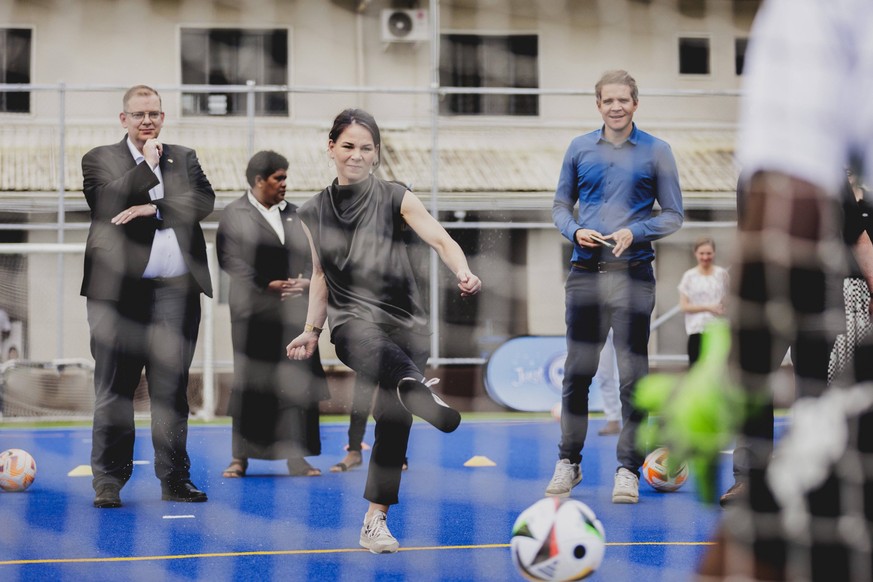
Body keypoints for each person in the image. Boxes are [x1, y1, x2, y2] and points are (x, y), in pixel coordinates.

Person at [696, 1, 873, 579]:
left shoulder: (814, 13)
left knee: (750, 556)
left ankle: (772, 488)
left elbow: (788, 219)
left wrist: (730, 367)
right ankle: (752, 474)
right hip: (801, 297)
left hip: (811, 299)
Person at [286, 108, 481, 554]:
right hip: (353, 322)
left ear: (376, 153)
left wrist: (463, 270)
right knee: (368, 347)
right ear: (331, 148)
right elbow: (319, 274)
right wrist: (312, 330)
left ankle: (375, 521)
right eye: (348, 146)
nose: (356, 155)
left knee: (392, 423)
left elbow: (440, 239)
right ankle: (416, 389)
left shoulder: (396, 196)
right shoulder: (312, 210)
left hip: (408, 323)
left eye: (366, 148)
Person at [547, 69, 684, 503]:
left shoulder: (658, 151)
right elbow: (560, 206)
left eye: (624, 100)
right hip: (585, 274)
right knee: (577, 373)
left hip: (634, 277)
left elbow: (674, 215)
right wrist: (574, 230)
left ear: (636, 104)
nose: (616, 107)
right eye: (608, 100)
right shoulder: (578, 148)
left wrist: (637, 231)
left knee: (633, 379)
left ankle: (628, 469)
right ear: (598, 104)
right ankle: (569, 462)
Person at [81, 84, 214, 509]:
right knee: (115, 390)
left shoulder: (185, 157)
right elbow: (104, 201)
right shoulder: (99, 158)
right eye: (138, 114)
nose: (147, 121)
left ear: (163, 117)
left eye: (154, 114)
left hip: (176, 295)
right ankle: (109, 483)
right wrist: (147, 168)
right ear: (124, 119)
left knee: (172, 392)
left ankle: (175, 480)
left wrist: (153, 208)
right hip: (118, 298)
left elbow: (204, 201)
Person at [216, 150, 330, 479]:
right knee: (251, 382)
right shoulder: (233, 214)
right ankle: (241, 458)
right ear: (258, 181)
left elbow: (316, 256)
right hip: (252, 315)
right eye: (278, 178)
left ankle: (298, 457)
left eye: (285, 177)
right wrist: (265, 284)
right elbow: (228, 259)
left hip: (295, 315)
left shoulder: (298, 214)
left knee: (298, 383)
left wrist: (308, 280)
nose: (284, 183)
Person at [678, 237, 729, 365]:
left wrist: (723, 309)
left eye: (708, 253)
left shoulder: (722, 274)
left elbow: (729, 300)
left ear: (714, 253)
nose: (705, 257)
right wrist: (709, 308)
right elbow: (684, 306)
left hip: (718, 330)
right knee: (695, 369)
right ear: (695, 254)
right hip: (696, 330)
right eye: (702, 253)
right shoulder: (689, 276)